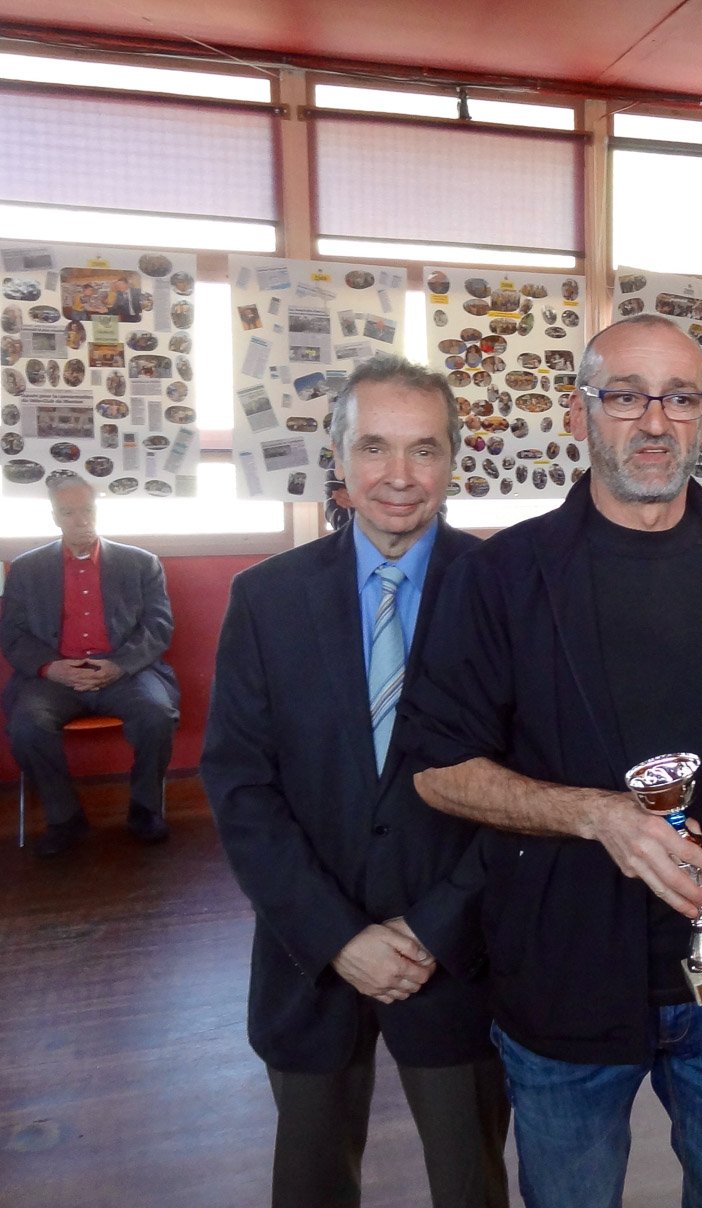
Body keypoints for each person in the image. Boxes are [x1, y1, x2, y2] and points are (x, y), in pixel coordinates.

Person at [397, 314, 702, 1208]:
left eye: (680, 398)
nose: (655, 421)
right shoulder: (502, 575)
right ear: (579, 413)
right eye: (626, 397)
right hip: (564, 977)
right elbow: (436, 768)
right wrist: (598, 815)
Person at [201, 356, 509, 1208]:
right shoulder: (265, 599)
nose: (399, 475)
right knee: (309, 1186)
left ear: (453, 461)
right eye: (374, 447)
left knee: (471, 1185)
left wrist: (433, 928)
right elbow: (240, 788)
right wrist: (339, 937)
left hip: (454, 957)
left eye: (424, 449)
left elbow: (528, 788)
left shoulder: (508, 592)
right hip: (309, 958)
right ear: (338, 457)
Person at [2, 472, 178, 856]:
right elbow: (12, 635)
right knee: (27, 727)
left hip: (122, 671)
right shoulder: (26, 569)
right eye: (69, 513)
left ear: (97, 509)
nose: (80, 520)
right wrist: (51, 668)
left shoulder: (141, 563)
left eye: (87, 510)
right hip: (55, 675)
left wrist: (119, 666)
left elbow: (158, 627)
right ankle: (65, 818)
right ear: (55, 517)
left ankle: (145, 809)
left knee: (157, 715)